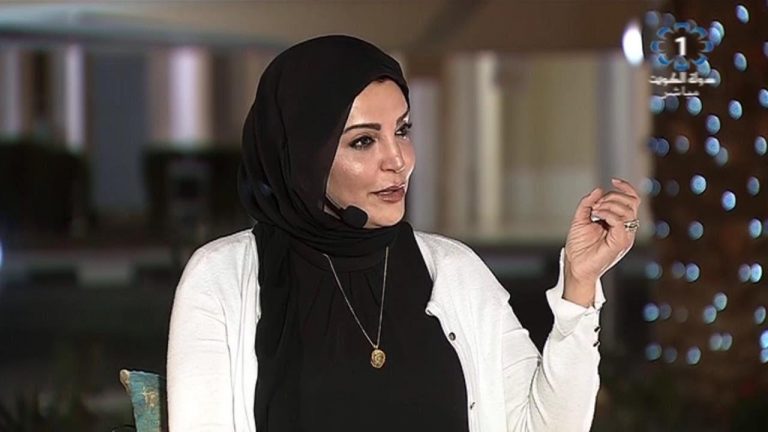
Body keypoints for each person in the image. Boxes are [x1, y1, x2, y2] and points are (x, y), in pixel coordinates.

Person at [166, 34, 640, 432]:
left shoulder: (455, 272)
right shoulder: (220, 280)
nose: (398, 160)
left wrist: (579, 287)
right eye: (363, 141)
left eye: (403, 130)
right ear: (301, 157)